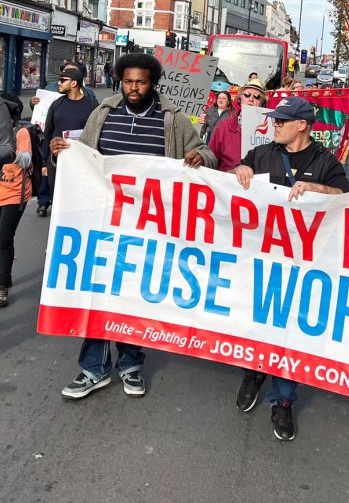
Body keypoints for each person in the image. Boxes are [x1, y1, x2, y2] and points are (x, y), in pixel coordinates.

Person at [52, 53, 216, 400]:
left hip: (148, 230)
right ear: (120, 81)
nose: (133, 88)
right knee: (98, 296)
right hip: (103, 224)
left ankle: (131, 365)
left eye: (140, 82)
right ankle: (93, 369)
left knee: (133, 298)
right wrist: (61, 152)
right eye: (128, 82)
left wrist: (202, 157)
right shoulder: (104, 113)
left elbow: (205, 150)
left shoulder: (172, 120)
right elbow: (83, 155)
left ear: (152, 83)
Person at [231, 96, 349, 441]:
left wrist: (318, 189)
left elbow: (347, 200)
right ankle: (253, 372)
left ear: (302, 125)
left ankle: (283, 400)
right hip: (261, 258)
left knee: (290, 331)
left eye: (282, 121)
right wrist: (239, 171)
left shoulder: (325, 161)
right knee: (257, 321)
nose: (274, 125)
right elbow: (233, 183)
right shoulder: (261, 153)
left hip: (303, 264)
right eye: (274, 120)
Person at [43, 67, 98, 202]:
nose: (59, 83)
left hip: (82, 163)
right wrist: (45, 163)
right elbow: (48, 132)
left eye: (63, 80)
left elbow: (97, 132)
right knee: (58, 199)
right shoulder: (57, 104)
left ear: (74, 83)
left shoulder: (91, 104)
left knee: (78, 199)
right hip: (57, 161)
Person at [0, 93, 34, 307]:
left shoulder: (20, 131)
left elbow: (26, 158)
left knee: (3, 239)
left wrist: (8, 151)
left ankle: (2, 286)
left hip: (14, 194)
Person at [208, 79, 267, 172]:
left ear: (263, 104)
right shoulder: (224, 127)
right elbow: (210, 160)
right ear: (240, 99)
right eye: (247, 95)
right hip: (228, 183)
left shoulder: (270, 131)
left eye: (257, 96)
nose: (251, 99)